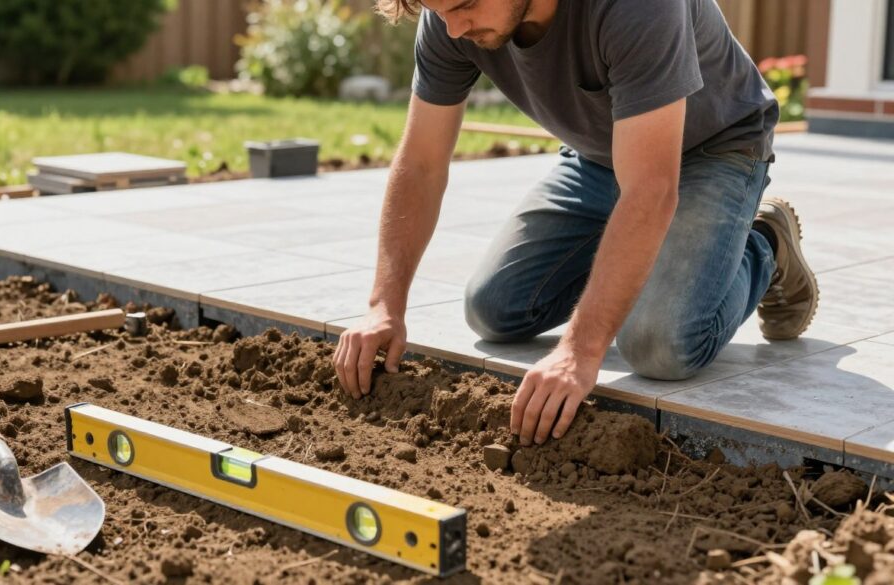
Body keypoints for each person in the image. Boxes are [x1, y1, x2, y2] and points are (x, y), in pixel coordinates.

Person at [332, 0, 819, 448]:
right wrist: (383, 305)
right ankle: (631, 243)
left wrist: (580, 351)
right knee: (494, 309)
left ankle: (765, 243)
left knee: (658, 346)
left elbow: (650, 189)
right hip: (599, 156)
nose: (454, 27)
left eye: (464, 6)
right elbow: (420, 163)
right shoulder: (447, 19)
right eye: (441, 12)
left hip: (714, 150)